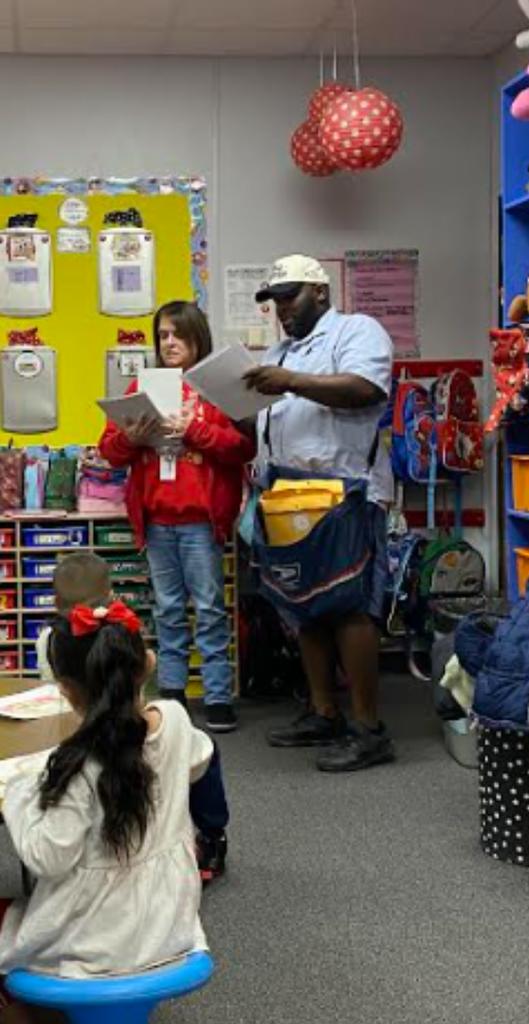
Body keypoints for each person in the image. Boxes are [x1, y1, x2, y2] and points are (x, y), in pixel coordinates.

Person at [0, 601, 212, 1023]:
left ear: (65, 689)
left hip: (94, 943)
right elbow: (199, 757)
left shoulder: (79, 766)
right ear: (146, 665)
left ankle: (30, 1016)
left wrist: (18, 791)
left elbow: (48, 857)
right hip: (168, 927)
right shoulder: (177, 721)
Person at [244, 254, 395, 772]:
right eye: (274, 302)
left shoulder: (357, 331)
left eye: (290, 297)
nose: (281, 310)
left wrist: (287, 380)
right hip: (286, 490)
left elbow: (364, 389)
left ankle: (367, 728)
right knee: (302, 603)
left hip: (346, 489)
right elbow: (274, 422)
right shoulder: (283, 350)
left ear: (321, 294)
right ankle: (323, 711)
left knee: (349, 605)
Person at [99, 300, 256, 733]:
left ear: (196, 336)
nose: (168, 343)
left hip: (201, 521)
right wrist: (131, 438)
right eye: (162, 335)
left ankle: (218, 696)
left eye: (177, 335)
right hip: (156, 519)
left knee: (209, 608)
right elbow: (110, 452)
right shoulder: (143, 386)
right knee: (166, 610)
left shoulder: (218, 387)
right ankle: (172, 694)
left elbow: (244, 449)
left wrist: (195, 431)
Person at [36, 552, 229, 881]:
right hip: (131, 730)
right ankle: (212, 836)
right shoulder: (124, 629)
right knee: (204, 750)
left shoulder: (50, 640)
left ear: (55, 602)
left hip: (72, 731)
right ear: (111, 595)